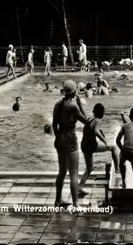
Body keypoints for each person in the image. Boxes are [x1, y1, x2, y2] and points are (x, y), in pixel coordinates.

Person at [52, 80, 88, 208]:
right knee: (74, 173)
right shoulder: (73, 107)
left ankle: (58, 200)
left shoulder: (57, 105)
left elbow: (54, 125)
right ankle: (76, 203)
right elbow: (86, 122)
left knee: (62, 171)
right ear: (74, 92)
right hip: (71, 139)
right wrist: (79, 103)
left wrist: (58, 137)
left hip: (60, 139)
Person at [79, 103, 119, 197]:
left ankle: (80, 187)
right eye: (103, 112)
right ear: (101, 113)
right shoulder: (98, 120)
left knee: (89, 168)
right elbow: (96, 131)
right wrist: (105, 142)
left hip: (84, 145)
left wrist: (79, 105)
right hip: (90, 146)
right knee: (113, 148)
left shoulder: (90, 118)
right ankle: (117, 170)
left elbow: (85, 117)